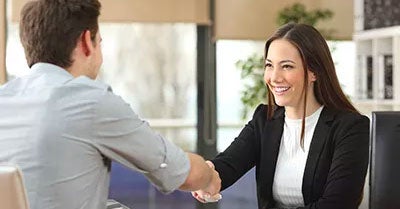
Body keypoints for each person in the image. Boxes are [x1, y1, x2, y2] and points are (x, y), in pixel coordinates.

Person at [0, 0, 220, 209]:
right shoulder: (90, 101)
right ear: (87, 42)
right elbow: (183, 173)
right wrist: (209, 176)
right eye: (100, 43)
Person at [192, 23, 370, 209]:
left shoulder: (350, 127)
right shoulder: (265, 119)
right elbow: (228, 164)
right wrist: (207, 177)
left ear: (314, 72)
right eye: (269, 65)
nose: (274, 77)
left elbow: (337, 204)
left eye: (286, 66)